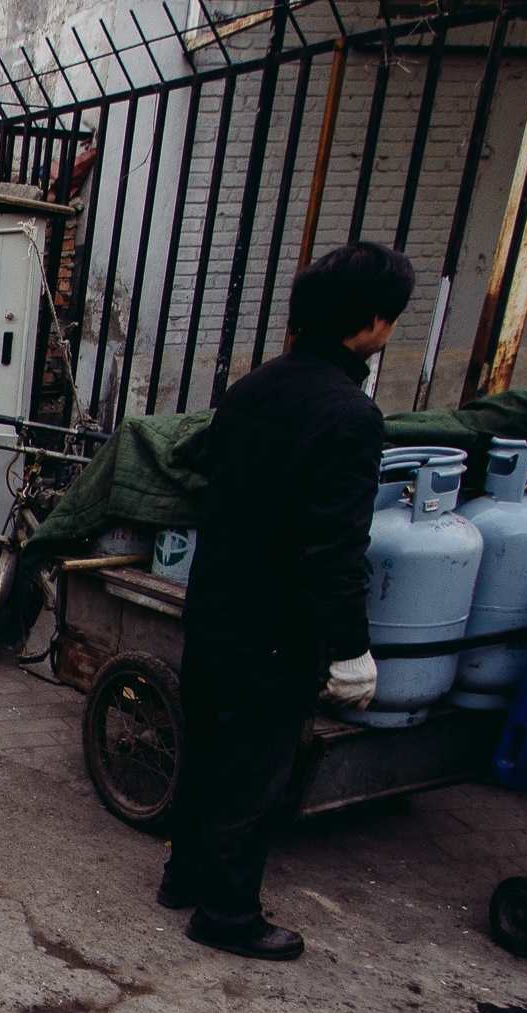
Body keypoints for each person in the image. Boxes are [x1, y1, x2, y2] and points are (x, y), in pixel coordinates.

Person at [160, 242, 414, 962]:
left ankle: (182, 878)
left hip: (215, 609)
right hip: (275, 629)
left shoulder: (253, 388)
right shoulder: (351, 417)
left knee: (206, 749)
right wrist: (350, 647)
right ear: (369, 324)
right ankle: (227, 914)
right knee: (253, 770)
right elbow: (333, 550)